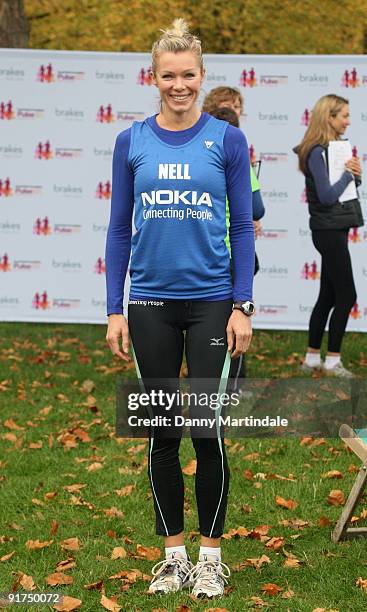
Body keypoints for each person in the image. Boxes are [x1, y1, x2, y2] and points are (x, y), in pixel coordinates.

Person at [105, 19, 255, 598]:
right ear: (153, 77)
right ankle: (172, 556)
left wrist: (241, 304)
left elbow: (242, 226)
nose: (178, 84)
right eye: (168, 75)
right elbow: (120, 228)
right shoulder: (131, 141)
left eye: (188, 74)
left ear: (202, 76)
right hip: (148, 304)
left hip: (213, 304)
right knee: (163, 432)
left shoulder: (228, 141)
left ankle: (211, 557)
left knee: (206, 430)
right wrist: (114, 307)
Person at [295, 94, 363, 377]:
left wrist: (355, 175)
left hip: (335, 228)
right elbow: (326, 196)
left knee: (328, 295)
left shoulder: (335, 148)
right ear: (329, 118)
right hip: (328, 231)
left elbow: (344, 189)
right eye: (343, 115)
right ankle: (333, 360)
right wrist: (349, 176)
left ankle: (312, 357)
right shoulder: (315, 151)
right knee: (347, 295)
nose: (348, 120)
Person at [203, 98, 265, 390]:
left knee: (219, 324)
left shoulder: (199, 160)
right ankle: (234, 383)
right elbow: (257, 209)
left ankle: (224, 384)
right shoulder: (239, 159)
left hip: (210, 253)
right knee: (234, 321)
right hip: (232, 255)